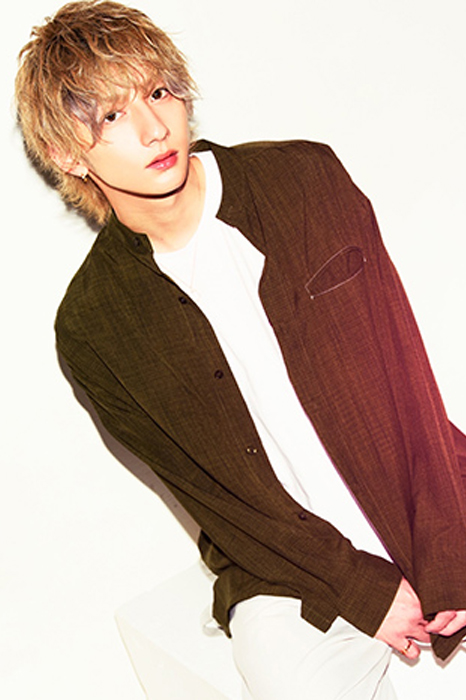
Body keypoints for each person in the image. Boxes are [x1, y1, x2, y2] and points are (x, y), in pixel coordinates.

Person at [15, 1, 466, 697]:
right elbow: (217, 500)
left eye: (158, 92)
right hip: (289, 570)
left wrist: (446, 543)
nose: (153, 127)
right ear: (66, 155)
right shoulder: (94, 329)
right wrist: (360, 588)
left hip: (415, 494)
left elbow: (408, 377)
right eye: (111, 116)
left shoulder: (303, 180)